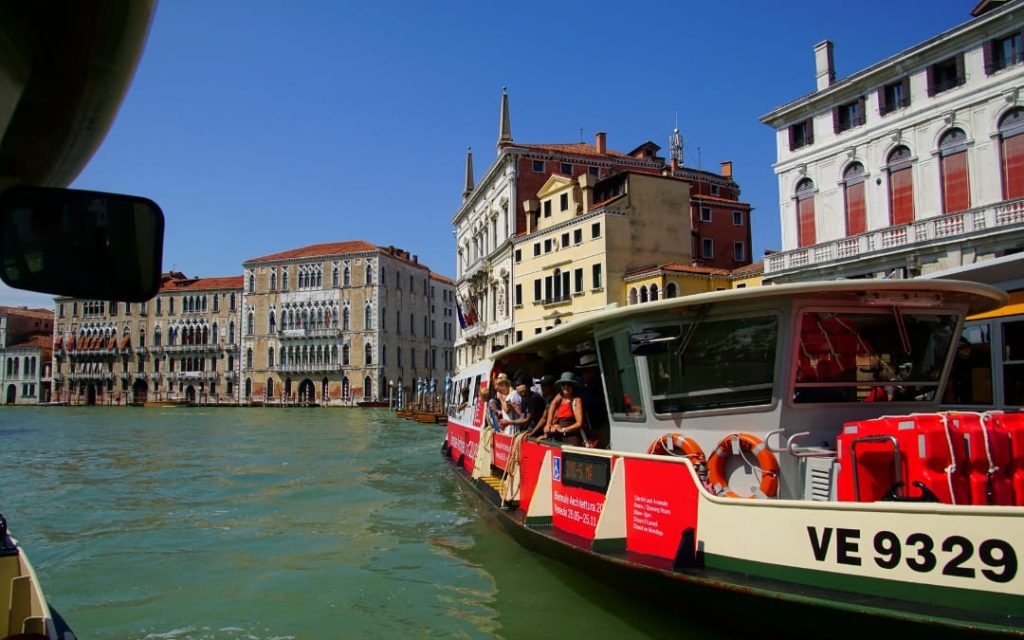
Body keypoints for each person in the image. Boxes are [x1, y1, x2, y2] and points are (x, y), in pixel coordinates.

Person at [543, 372, 585, 446]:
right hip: (560, 438)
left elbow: (579, 423)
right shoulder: (560, 397)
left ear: (573, 386)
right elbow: (553, 404)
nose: (566, 387)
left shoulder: (577, 400)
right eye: (563, 384)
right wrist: (548, 424)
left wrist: (563, 430)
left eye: (569, 384)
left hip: (572, 438)